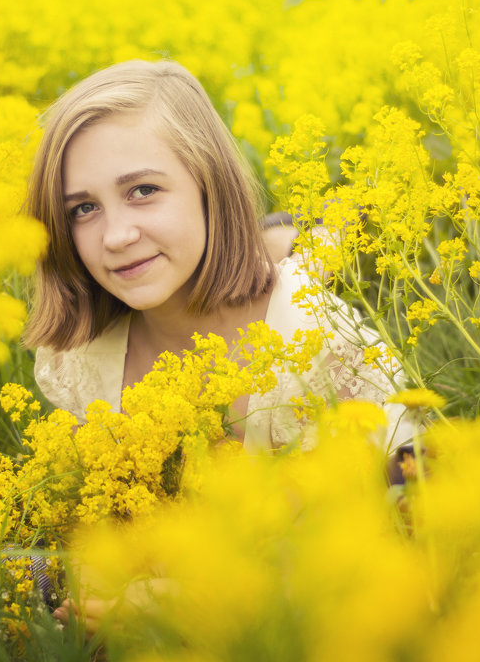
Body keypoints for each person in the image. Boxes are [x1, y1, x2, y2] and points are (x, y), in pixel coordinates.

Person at [24, 58, 411, 452]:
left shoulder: (317, 344)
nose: (117, 237)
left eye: (143, 190)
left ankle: (304, 237)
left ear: (211, 182)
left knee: (301, 277)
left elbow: (408, 488)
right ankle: (283, 238)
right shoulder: (76, 360)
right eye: (83, 209)